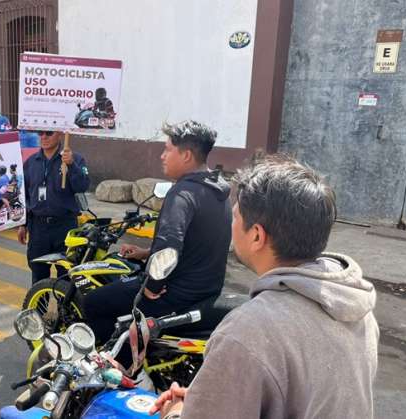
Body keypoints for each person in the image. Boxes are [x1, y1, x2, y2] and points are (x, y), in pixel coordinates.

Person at [151, 155, 379, 419]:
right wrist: (213, 395)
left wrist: (176, 410)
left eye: (235, 216)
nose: (230, 225)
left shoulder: (247, 332)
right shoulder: (358, 306)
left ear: (257, 236)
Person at [84, 120, 231, 344]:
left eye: (167, 150)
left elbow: (169, 247)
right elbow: (195, 244)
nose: (162, 156)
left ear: (186, 155)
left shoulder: (182, 194)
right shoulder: (218, 190)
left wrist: (152, 285)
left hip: (177, 293)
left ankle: (118, 367)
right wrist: (144, 253)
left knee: (92, 303)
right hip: (207, 288)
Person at [18, 130, 90, 283]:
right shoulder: (31, 163)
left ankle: (64, 307)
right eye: (40, 133)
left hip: (65, 227)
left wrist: (71, 165)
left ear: (60, 134)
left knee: (66, 275)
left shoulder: (75, 159)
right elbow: (25, 196)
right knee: (38, 274)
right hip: (38, 228)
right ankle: (39, 306)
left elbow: (82, 186)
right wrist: (23, 224)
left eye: (49, 133)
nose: (43, 137)